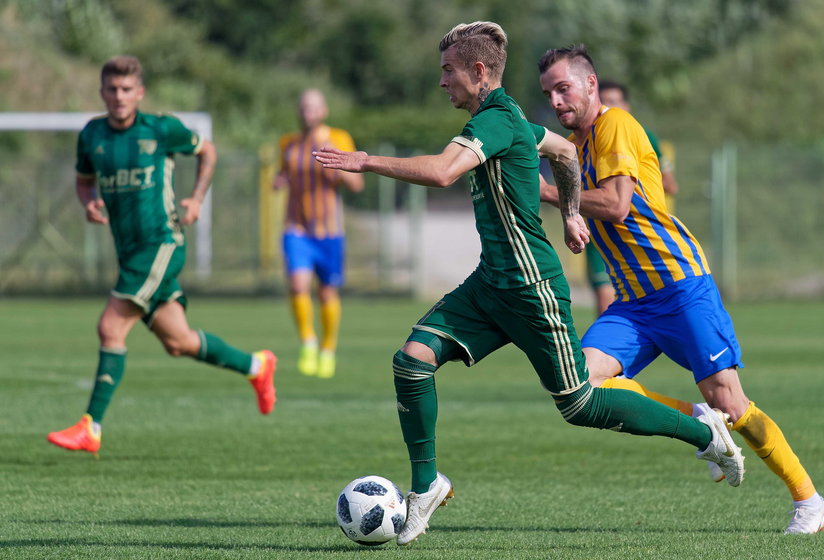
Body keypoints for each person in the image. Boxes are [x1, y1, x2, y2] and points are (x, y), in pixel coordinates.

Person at [315, 22, 745, 546]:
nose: (442, 82)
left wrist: (365, 161)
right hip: (491, 283)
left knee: (580, 405)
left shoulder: (496, 120)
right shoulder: (511, 117)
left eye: (448, 71)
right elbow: (563, 153)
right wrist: (569, 213)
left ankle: (706, 432)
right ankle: (426, 487)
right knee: (411, 360)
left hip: (532, 287)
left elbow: (444, 172)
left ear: (478, 72)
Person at [537, 44, 824, 534]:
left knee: (732, 404)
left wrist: (544, 193)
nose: (556, 100)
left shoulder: (615, 125)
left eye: (563, 87)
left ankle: (810, 501)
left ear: (591, 84)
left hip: (680, 286)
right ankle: (701, 425)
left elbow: (616, 205)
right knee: (581, 384)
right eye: (548, 93)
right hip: (634, 302)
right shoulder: (576, 144)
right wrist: (568, 216)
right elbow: (585, 205)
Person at [47, 55, 277, 456]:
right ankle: (257, 366)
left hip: (162, 242)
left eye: (126, 89)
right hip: (130, 251)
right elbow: (84, 181)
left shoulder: (160, 128)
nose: (118, 96)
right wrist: (88, 203)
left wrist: (196, 198)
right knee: (179, 341)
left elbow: (208, 151)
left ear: (140, 93)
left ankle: (91, 426)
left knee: (110, 328)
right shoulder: (92, 136)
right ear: (102, 92)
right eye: (111, 89)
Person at [274, 89, 364, 379]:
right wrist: (281, 179)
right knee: (298, 285)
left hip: (329, 231)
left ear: (323, 111)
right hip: (296, 228)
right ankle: (308, 342)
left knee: (326, 292)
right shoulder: (288, 143)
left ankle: (328, 348)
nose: (306, 113)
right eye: (302, 108)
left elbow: (357, 185)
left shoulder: (338, 139)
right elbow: (284, 172)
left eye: (312, 108)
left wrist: (337, 172)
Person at [598, 80, 679, 212]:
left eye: (613, 102)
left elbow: (671, 186)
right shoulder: (590, 139)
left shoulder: (646, 137)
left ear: (626, 106)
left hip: (645, 221)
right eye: (602, 102)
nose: (607, 108)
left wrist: (625, 186)